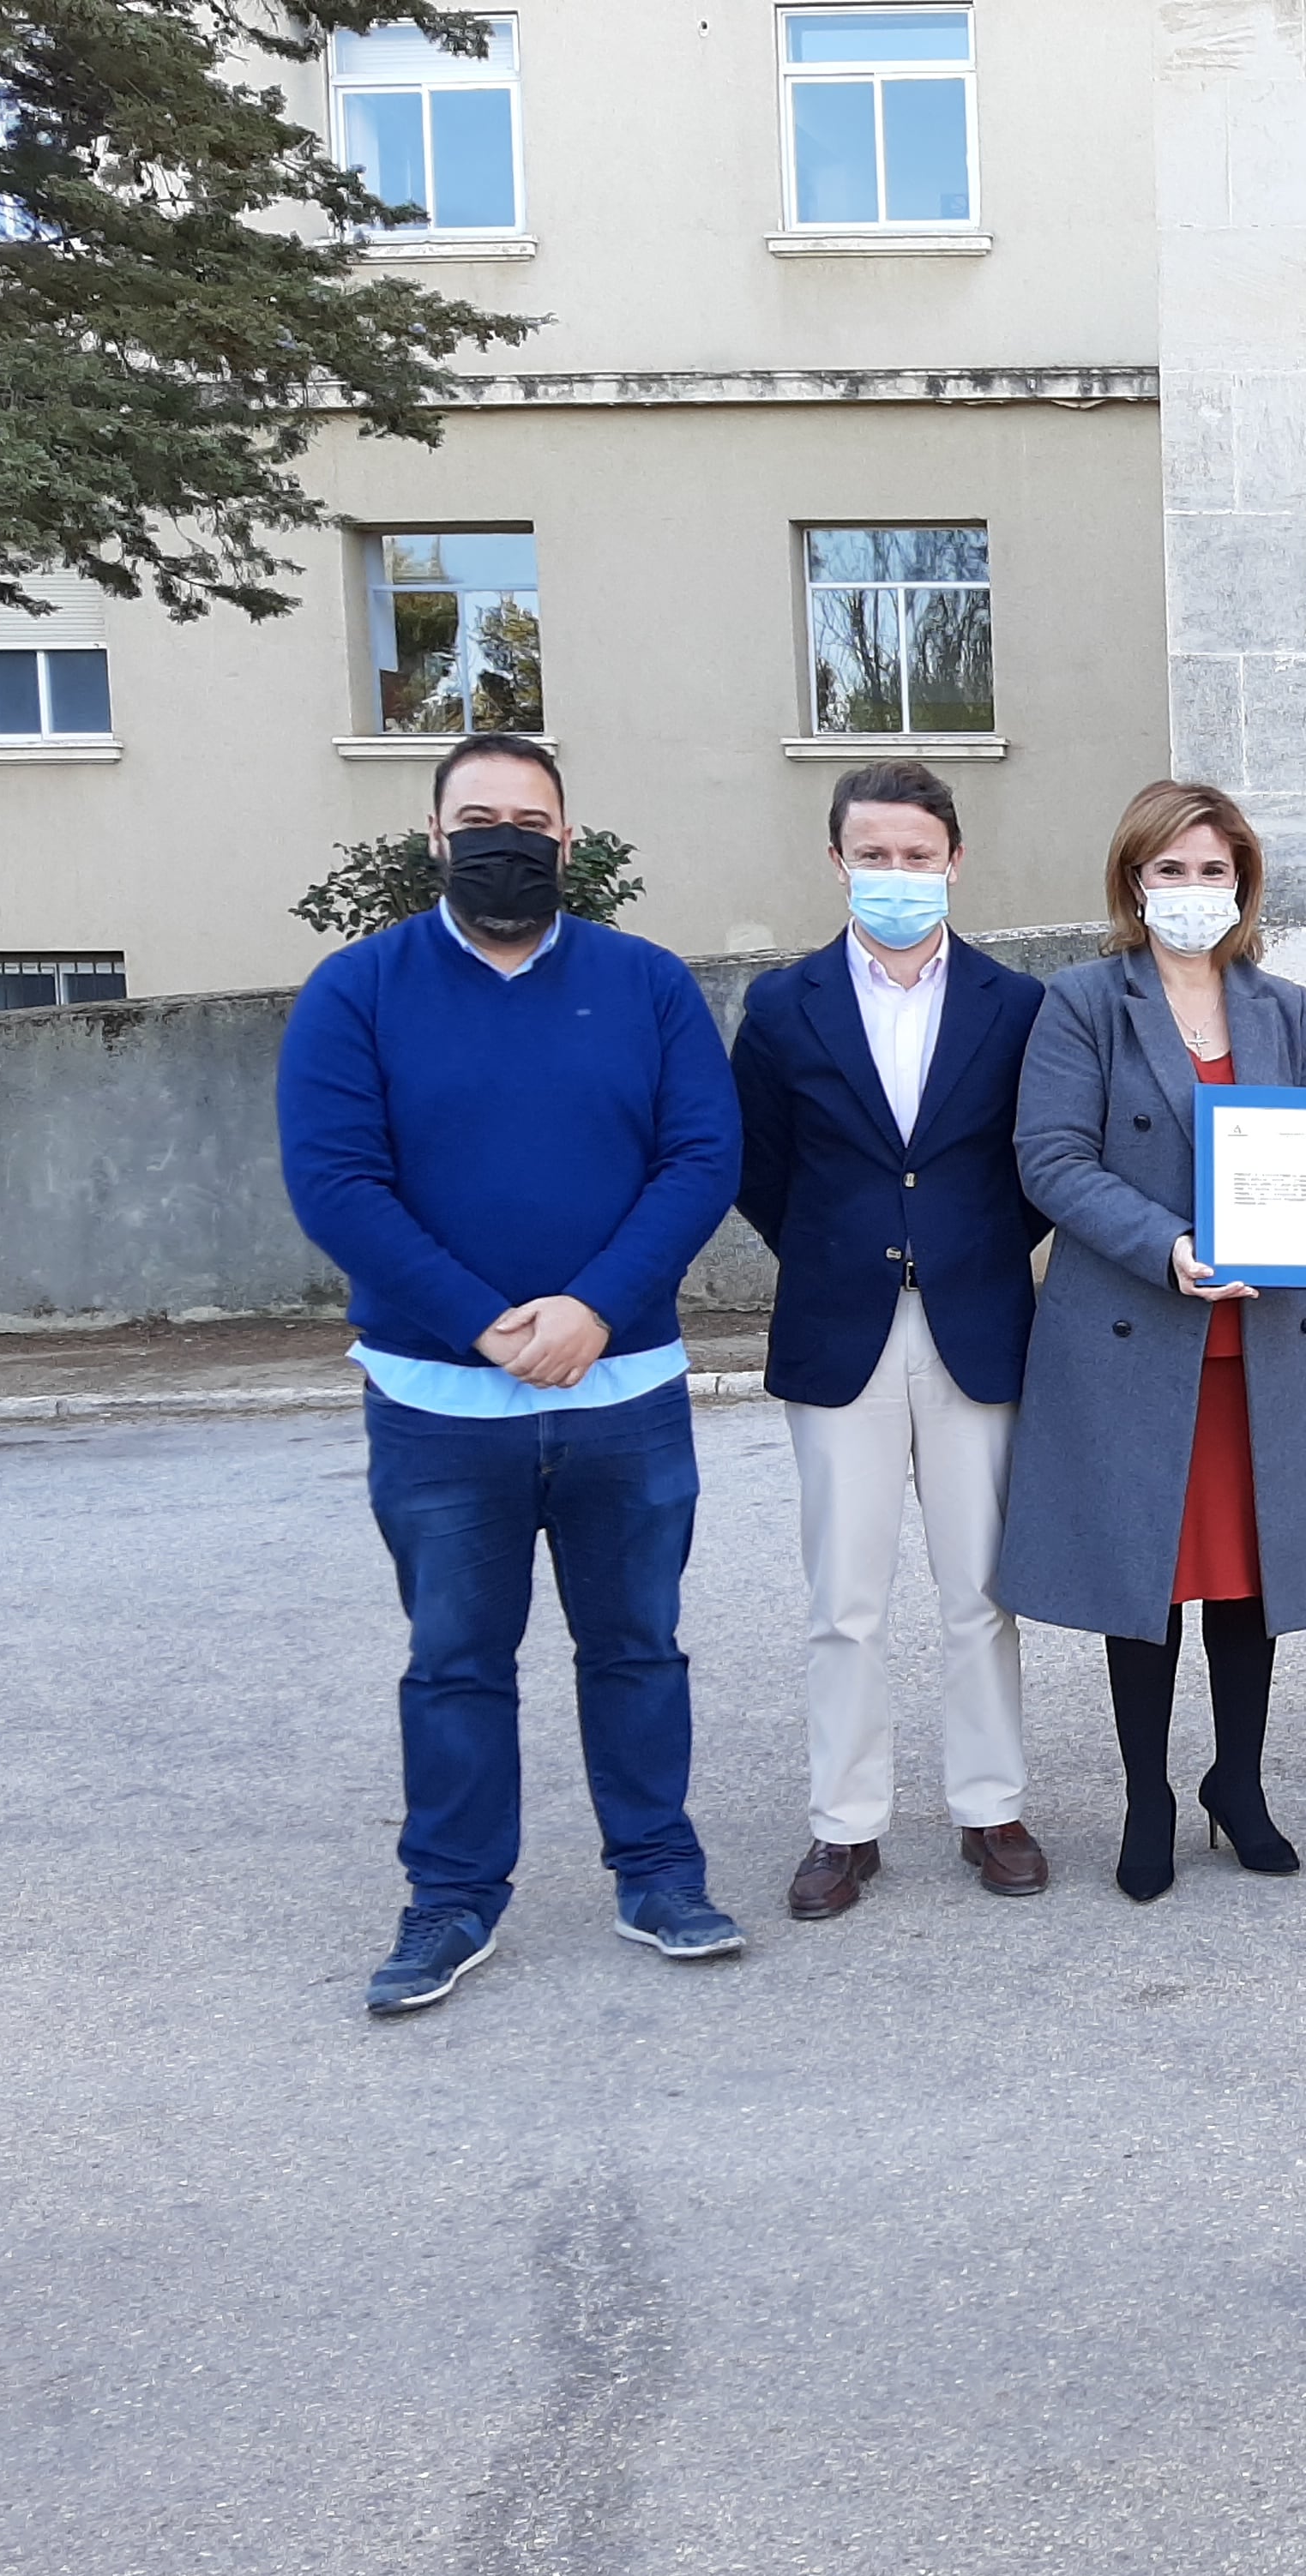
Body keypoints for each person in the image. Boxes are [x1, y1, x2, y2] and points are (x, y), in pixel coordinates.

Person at [279, 731, 744, 2014]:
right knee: (454, 1662)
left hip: (622, 1393)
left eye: (529, 820)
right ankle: (451, 1899)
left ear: (566, 841)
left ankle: (659, 1874)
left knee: (638, 1649)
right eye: (477, 817)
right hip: (438, 1406)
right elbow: (335, 1181)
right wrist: (486, 1325)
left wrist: (597, 1306)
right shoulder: (357, 990)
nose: (505, 839)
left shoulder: (647, 986)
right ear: (434, 838)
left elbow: (702, 1159)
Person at [994, 781, 1306, 1903]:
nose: (1194, 890)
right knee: (1148, 1577)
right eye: (1172, 870)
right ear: (1133, 881)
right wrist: (1166, 1245)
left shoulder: (1285, 1006)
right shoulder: (1082, 1004)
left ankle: (1239, 1784)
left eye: (1215, 871)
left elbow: (1302, 1167)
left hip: (1263, 1345)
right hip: (1138, 1332)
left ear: (1243, 883)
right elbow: (1052, 1161)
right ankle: (1149, 1797)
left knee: (1253, 1578)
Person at [730, 760, 1049, 1920]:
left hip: (977, 1320)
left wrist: (963, 1247)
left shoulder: (1016, 1007)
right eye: (876, 855)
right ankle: (844, 1825)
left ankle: (990, 1805)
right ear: (839, 862)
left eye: (918, 856)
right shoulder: (782, 1007)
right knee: (844, 1597)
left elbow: (1036, 1167)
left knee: (981, 1586)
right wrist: (841, 1245)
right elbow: (758, 1169)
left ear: (955, 860)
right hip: (838, 1324)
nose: (898, 875)